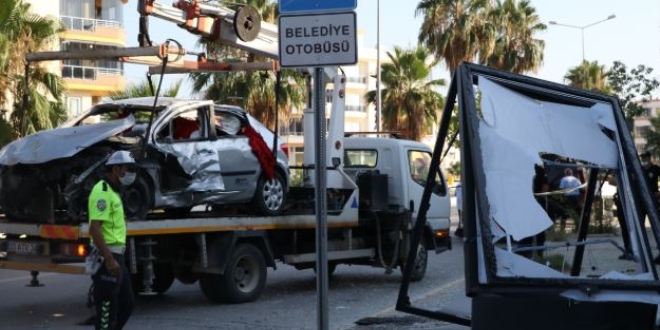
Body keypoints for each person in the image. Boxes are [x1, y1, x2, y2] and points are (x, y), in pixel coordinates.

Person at [88, 150, 136, 330]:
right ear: (116, 169)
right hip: (106, 257)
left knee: (126, 303)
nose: (132, 173)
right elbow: (95, 228)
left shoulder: (114, 191)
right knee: (107, 309)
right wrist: (108, 259)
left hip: (116, 255)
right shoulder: (102, 191)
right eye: (128, 169)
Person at [639, 151, 660, 263]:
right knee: (640, 225)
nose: (643, 160)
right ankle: (642, 251)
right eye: (642, 158)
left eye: (645, 158)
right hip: (641, 201)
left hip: (653, 200)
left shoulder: (656, 169)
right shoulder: (639, 170)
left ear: (649, 158)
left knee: (657, 224)